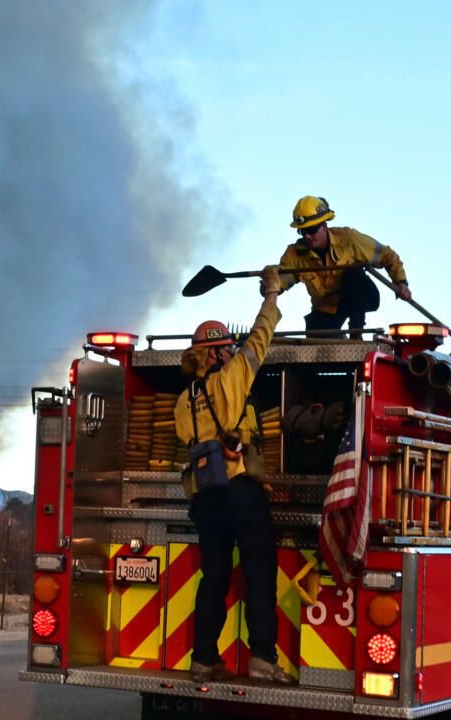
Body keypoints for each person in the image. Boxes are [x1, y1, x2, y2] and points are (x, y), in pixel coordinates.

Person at [175, 265, 292, 685]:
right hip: (240, 492)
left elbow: (188, 443)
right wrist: (272, 294)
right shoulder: (233, 376)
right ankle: (262, 658)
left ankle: (203, 658)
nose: (231, 352)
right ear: (216, 353)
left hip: (205, 500)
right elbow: (261, 338)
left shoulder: (183, 401)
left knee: (214, 578)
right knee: (259, 572)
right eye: (226, 347)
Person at [275, 195, 411, 333]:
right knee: (315, 339)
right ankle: (338, 339)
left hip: (360, 297)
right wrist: (269, 285)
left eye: (311, 230)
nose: (307, 236)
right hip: (326, 308)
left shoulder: (348, 240)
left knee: (354, 273)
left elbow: (387, 255)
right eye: (302, 231)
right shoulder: (295, 255)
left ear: (324, 226)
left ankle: (356, 332)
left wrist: (401, 282)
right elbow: (279, 282)